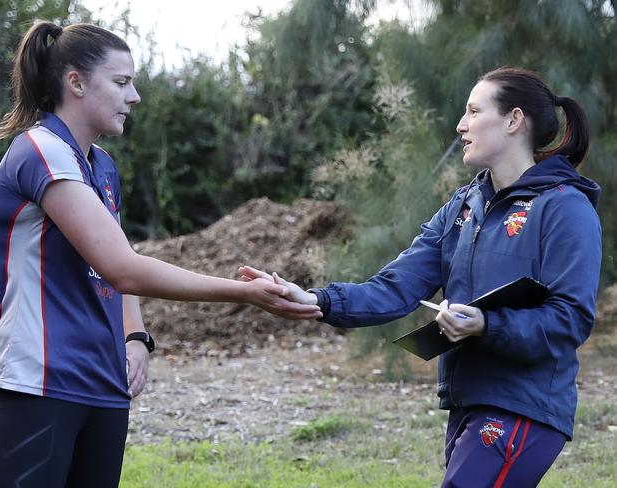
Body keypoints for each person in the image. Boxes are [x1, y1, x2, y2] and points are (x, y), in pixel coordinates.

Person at [0, 21, 321, 488]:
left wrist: (136, 337)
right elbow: (123, 269)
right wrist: (244, 293)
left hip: (103, 384)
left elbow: (119, 256)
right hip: (36, 382)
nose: (135, 95)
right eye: (121, 82)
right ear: (75, 82)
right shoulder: (41, 152)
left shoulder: (101, 165)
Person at [241, 67, 602, 487]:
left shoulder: (565, 207)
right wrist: (317, 300)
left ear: (513, 120)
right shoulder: (463, 206)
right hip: (467, 402)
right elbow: (397, 287)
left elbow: (571, 318)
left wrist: (488, 324)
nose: (460, 124)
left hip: (524, 405)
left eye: (472, 111)